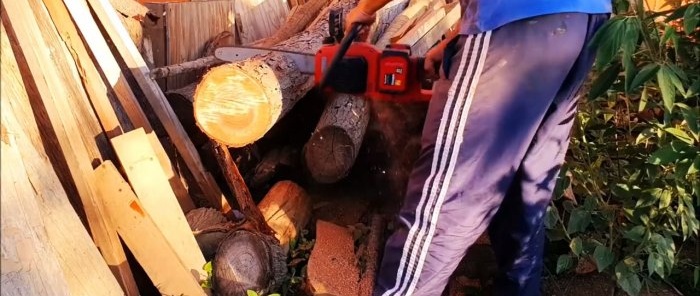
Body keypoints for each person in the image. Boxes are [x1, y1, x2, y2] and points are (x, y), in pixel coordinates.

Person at [344, 1, 612, 295]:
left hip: (513, 17)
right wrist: (457, 37)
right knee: (526, 184)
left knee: (449, 197)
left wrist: (365, 9)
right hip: (585, 19)